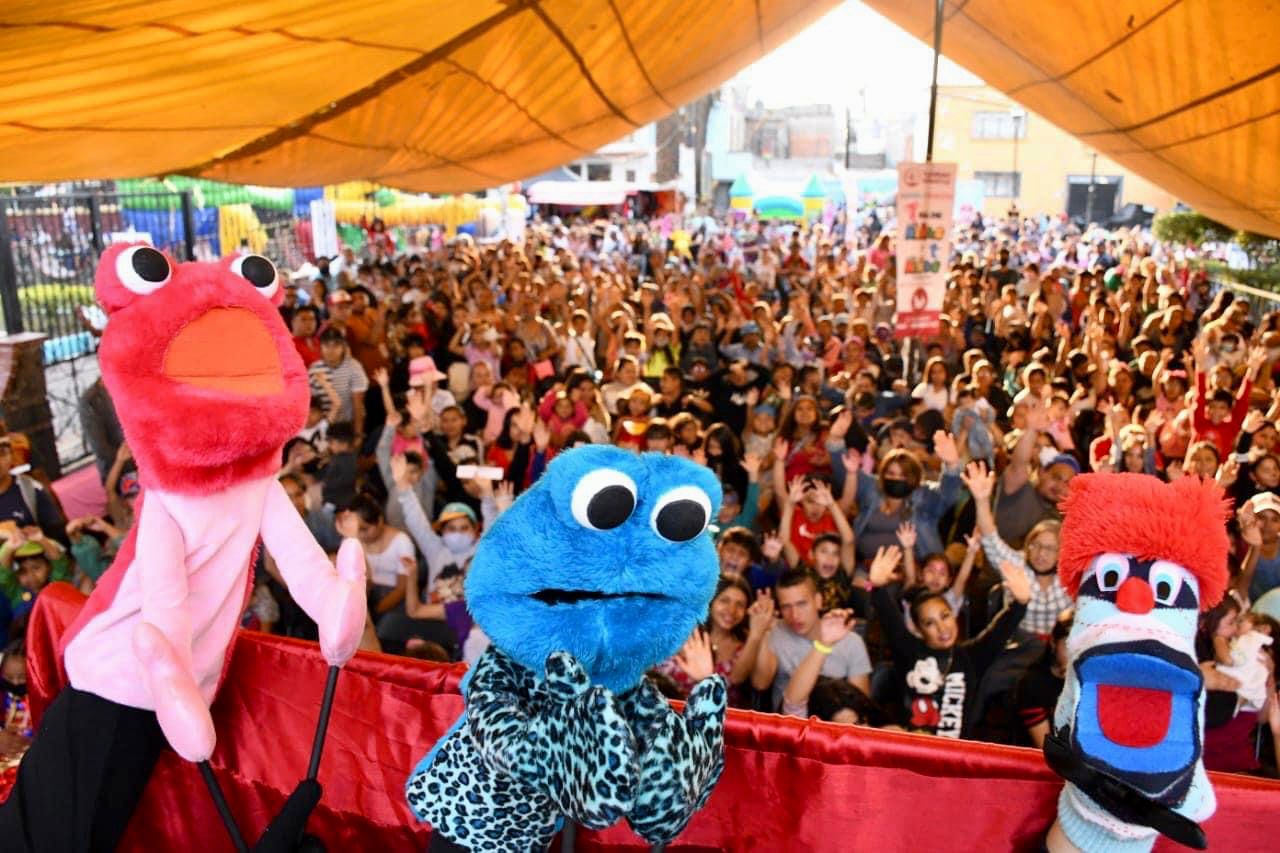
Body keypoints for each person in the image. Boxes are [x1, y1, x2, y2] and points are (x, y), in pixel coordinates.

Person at [869, 544, 1031, 738]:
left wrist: (1020, 603)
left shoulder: (971, 656)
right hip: (914, 748)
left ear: (953, 615)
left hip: (956, 756)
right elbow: (890, 620)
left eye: (945, 616)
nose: (942, 628)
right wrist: (876, 587)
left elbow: (999, 631)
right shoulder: (908, 650)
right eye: (930, 623)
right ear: (919, 630)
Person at [964, 461, 1072, 638]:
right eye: (1036, 545)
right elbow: (991, 537)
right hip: (1018, 649)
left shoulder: (1071, 573)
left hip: (1058, 651)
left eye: (1050, 548)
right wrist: (982, 500)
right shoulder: (1017, 565)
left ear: (1061, 553)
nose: (1041, 553)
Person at [751, 568, 872, 714]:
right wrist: (763, 631)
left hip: (833, 727)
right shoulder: (776, 632)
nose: (794, 615)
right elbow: (760, 684)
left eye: (801, 604)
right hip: (788, 725)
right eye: (786, 607)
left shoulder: (852, 642)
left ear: (818, 601)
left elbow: (862, 707)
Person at [656, 575, 776, 708]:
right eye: (725, 601)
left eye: (740, 604)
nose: (732, 610)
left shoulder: (748, 641)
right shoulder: (684, 629)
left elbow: (748, 681)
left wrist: (760, 631)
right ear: (710, 602)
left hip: (718, 722)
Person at [1012, 609, 1073, 747]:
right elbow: (1045, 749)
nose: (1074, 653)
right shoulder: (1033, 683)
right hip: (1038, 762)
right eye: (1068, 645)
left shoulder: (1091, 681)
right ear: (1053, 643)